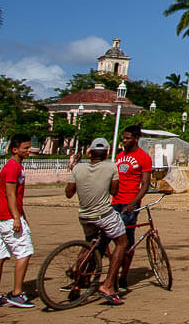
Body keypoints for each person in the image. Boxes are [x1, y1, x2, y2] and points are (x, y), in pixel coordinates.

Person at [66, 138, 127, 305]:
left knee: (90, 245)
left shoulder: (78, 168)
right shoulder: (111, 167)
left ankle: (78, 284)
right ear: (107, 153)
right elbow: (115, 192)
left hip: (84, 215)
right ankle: (108, 285)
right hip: (103, 215)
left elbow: (69, 192)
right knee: (122, 242)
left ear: (89, 153)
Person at [0, 133, 36, 309]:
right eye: (25, 148)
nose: (29, 150)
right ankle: (17, 293)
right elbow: (10, 194)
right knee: (24, 253)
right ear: (15, 150)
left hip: (3, 218)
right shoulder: (13, 167)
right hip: (9, 218)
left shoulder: (15, 166)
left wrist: (23, 216)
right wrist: (17, 217)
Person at [112, 125, 152, 291]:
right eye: (123, 137)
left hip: (130, 204)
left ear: (136, 139)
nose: (124, 141)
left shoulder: (143, 158)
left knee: (126, 242)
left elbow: (145, 185)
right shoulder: (120, 156)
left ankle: (122, 276)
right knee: (110, 239)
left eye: (128, 138)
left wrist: (133, 203)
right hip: (115, 203)